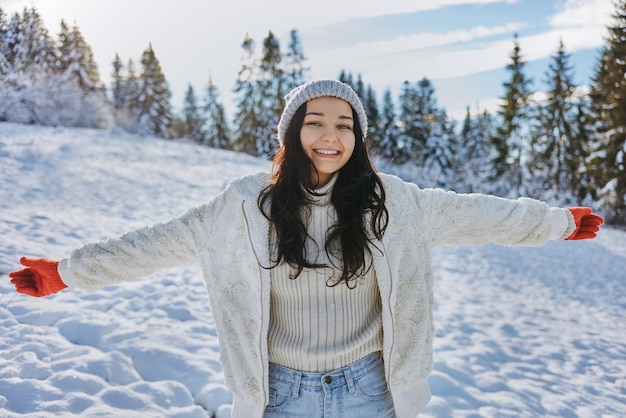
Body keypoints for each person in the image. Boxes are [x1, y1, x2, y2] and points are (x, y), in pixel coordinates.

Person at [8, 79, 604, 418]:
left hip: (371, 389)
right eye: (316, 121)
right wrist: (67, 271)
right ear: (293, 134)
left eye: (345, 125)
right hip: (279, 394)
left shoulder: (397, 203)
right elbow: (157, 243)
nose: (331, 135)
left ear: (358, 139)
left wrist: (553, 221)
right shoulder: (243, 206)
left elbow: (483, 214)